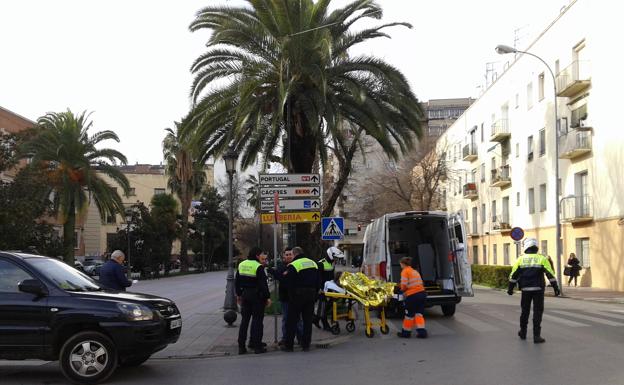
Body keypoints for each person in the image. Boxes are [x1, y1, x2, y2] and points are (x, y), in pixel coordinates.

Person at [508, 237, 561, 343]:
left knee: (525, 311)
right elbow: (550, 274)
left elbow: (513, 275)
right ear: (536, 247)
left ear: (526, 247)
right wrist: (556, 288)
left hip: (526, 289)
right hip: (538, 289)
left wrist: (510, 289)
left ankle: (523, 332)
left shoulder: (520, 259)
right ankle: (537, 336)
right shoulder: (542, 259)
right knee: (537, 312)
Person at [282, 246, 319, 352]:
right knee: (307, 321)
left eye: (292, 255)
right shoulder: (313, 263)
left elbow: (289, 282)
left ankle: (289, 346)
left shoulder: (294, 265)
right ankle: (306, 344)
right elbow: (318, 281)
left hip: (298, 296)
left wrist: (291, 295)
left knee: (292, 320)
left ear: (295, 254)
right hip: (311, 295)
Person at [235, 247, 271, 355]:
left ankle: (241, 347)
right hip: (256, 296)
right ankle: (257, 346)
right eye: (261, 255)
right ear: (256, 256)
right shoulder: (258, 267)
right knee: (257, 321)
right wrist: (267, 297)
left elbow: (237, 281)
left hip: (245, 295)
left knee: (244, 321)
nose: (262, 256)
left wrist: (239, 294)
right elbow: (263, 285)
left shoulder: (241, 264)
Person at [268, 247, 303, 346]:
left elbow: (283, 277)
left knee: (298, 319)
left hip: (296, 296)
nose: (288, 256)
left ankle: (300, 337)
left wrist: (281, 275)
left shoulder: (296, 265)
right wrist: (274, 272)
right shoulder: (281, 267)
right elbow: (279, 276)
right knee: (286, 318)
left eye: (290, 254)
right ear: (283, 256)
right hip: (285, 297)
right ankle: (285, 338)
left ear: (293, 255)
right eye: (286, 255)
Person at [396, 257, 427, 339]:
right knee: (419, 314)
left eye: (400, 265)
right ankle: (422, 332)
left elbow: (404, 286)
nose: (400, 266)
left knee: (409, 315)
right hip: (422, 294)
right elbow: (420, 283)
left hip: (413, 296)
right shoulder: (415, 271)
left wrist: (399, 288)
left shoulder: (405, 271)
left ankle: (406, 333)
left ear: (403, 264)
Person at [314, 246, 343, 330]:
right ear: (331, 255)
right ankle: (325, 325)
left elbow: (331, 276)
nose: (336, 259)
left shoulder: (332, 263)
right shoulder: (321, 263)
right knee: (323, 307)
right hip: (322, 289)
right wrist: (319, 288)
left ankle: (315, 320)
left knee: (327, 306)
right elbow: (318, 277)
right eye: (335, 257)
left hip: (329, 288)